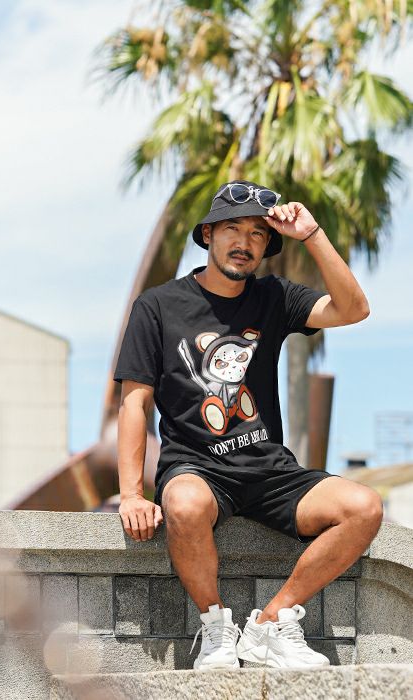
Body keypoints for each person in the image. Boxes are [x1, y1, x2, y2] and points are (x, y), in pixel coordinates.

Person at [113, 179, 383, 671]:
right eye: (232, 229)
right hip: (197, 468)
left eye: (258, 234)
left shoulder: (272, 297)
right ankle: (216, 629)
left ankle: (270, 625)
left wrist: (312, 234)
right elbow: (135, 403)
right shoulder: (158, 306)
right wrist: (131, 494)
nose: (245, 242)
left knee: (363, 507)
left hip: (269, 470)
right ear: (208, 234)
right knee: (184, 503)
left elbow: (354, 309)